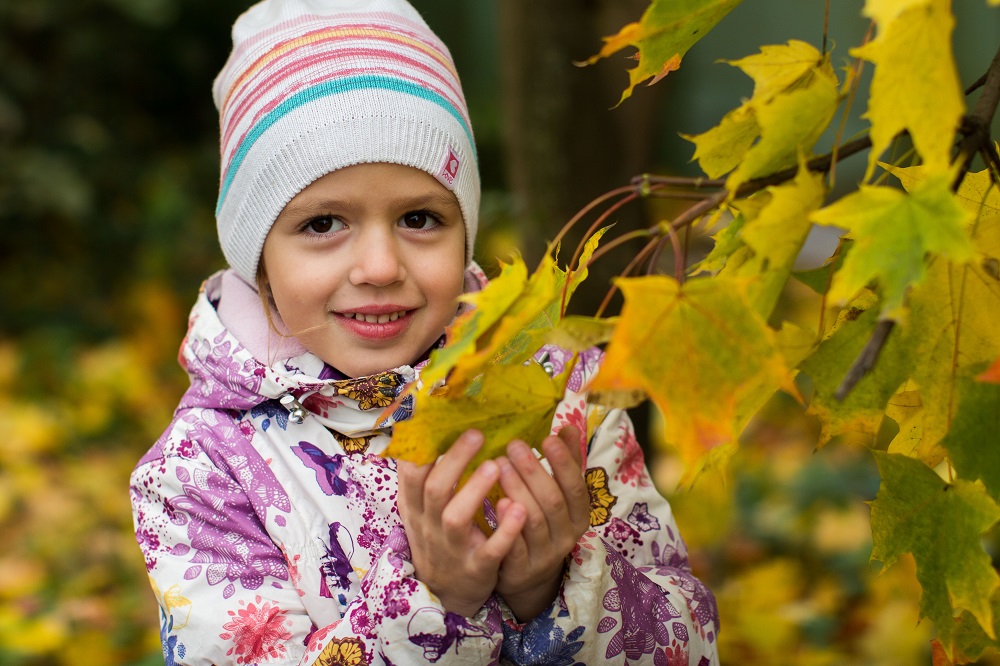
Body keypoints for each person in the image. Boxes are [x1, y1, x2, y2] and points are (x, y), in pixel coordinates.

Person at [129, 0, 720, 663]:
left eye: (419, 218)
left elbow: (686, 642)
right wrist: (436, 603)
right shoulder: (204, 472)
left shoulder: (559, 391)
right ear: (255, 252)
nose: (381, 267)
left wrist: (547, 592)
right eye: (323, 224)